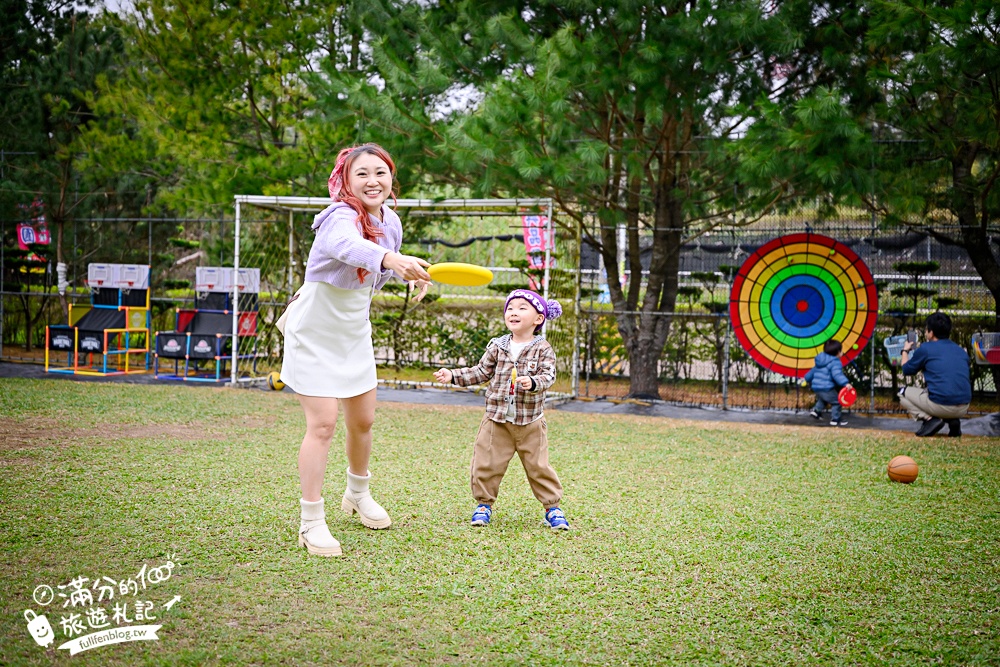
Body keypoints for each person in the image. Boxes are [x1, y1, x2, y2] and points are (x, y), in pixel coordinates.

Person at [281, 143, 432, 557]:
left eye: (380, 172)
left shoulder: (391, 221)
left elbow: (373, 275)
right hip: (314, 327)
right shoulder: (338, 217)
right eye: (361, 173)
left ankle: (357, 494)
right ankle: (311, 522)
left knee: (363, 420)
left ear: (391, 179)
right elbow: (349, 248)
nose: (372, 181)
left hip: (353, 328)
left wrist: (407, 272)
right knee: (324, 423)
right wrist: (391, 258)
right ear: (346, 180)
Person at [433, 289, 570, 530]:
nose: (513, 312)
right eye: (510, 308)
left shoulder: (543, 348)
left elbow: (548, 375)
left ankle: (553, 508)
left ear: (539, 318)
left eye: (521, 308)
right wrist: (452, 375)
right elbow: (480, 372)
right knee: (486, 463)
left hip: (530, 422)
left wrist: (534, 382)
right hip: (496, 420)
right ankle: (484, 505)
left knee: (539, 466)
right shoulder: (498, 346)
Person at [900, 312, 971, 437]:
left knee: (902, 393)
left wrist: (905, 350)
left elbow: (906, 370)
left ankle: (930, 420)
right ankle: (952, 420)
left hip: (941, 405)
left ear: (931, 333)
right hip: (963, 407)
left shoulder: (926, 348)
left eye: (926, 330)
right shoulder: (960, 351)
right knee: (937, 390)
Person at [803, 339, 853, 426]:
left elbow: (812, 371)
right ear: (838, 352)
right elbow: (837, 374)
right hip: (826, 387)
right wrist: (845, 383)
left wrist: (806, 379)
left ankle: (816, 411)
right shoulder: (835, 362)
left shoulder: (820, 361)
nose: (842, 353)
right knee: (837, 402)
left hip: (816, 387)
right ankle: (835, 419)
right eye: (841, 351)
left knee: (823, 399)